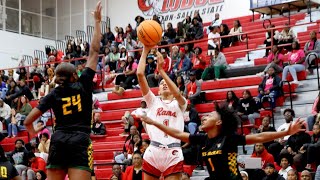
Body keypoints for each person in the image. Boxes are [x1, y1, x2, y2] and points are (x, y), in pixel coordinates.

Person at [23, 2, 102, 180]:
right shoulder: (84, 83)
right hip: (80, 141)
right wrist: (97, 22)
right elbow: (95, 50)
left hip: (58, 141)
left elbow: (28, 121)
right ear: (75, 75)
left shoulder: (53, 94)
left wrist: (34, 132)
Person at [140, 102, 305, 180]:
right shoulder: (203, 139)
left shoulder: (229, 139)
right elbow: (177, 133)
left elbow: (259, 137)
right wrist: (154, 122)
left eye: (210, 116)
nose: (204, 117)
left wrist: (286, 132)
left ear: (219, 122)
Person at [137, 45, 187, 179]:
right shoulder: (153, 101)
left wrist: (162, 71)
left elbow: (176, 93)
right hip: (153, 150)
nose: (164, 83)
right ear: (158, 91)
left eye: (168, 82)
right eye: (161, 83)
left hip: (173, 151)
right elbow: (140, 74)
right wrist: (145, 50)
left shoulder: (180, 103)